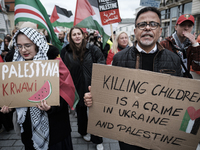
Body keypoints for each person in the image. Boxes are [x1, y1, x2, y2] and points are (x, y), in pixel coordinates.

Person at [84, 7, 182, 150]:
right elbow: (112, 94)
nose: (147, 28)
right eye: (142, 24)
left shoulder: (174, 59)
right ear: (135, 31)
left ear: (160, 31)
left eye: (153, 24)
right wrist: (95, 98)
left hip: (161, 135)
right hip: (128, 134)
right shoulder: (119, 58)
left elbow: (179, 99)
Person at [1, 27, 75, 150]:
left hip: (55, 131)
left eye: (27, 45)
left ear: (37, 44)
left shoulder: (53, 62)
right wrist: (8, 107)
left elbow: (67, 93)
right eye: (19, 46)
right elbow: (15, 97)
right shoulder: (14, 67)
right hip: (28, 133)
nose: (23, 50)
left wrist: (52, 107)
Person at [61, 26, 106, 150]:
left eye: (78, 34)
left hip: (92, 85)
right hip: (76, 86)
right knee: (81, 111)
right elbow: (62, 69)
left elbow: (102, 63)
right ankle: (83, 132)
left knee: (95, 113)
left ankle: (98, 140)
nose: (77, 36)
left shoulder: (93, 49)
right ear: (70, 37)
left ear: (83, 35)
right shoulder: (65, 51)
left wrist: (99, 82)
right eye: (74, 34)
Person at [160, 14, 200, 78]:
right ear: (176, 27)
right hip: (169, 79)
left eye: (189, 26)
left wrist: (195, 44)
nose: (186, 28)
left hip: (185, 79)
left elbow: (197, 67)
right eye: (182, 25)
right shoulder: (165, 44)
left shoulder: (191, 46)